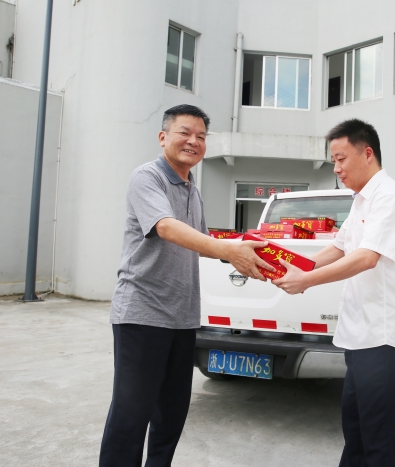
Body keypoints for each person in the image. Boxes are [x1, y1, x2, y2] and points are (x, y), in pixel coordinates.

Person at [99, 104, 274, 467]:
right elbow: (166, 227)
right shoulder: (147, 177)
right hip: (143, 314)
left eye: (201, 136)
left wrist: (250, 252)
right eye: (185, 133)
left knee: (172, 413)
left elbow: (203, 242)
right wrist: (228, 250)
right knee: (132, 414)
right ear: (163, 137)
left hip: (183, 316)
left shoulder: (193, 189)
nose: (193, 141)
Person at [274, 119, 395, 467]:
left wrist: (306, 281)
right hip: (358, 334)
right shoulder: (360, 200)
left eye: (341, 159)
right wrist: (288, 264)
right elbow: (339, 247)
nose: (336, 168)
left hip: (382, 337)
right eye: (333, 161)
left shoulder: (390, 197)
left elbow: (367, 257)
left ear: (367, 154)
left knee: (379, 438)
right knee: (355, 428)